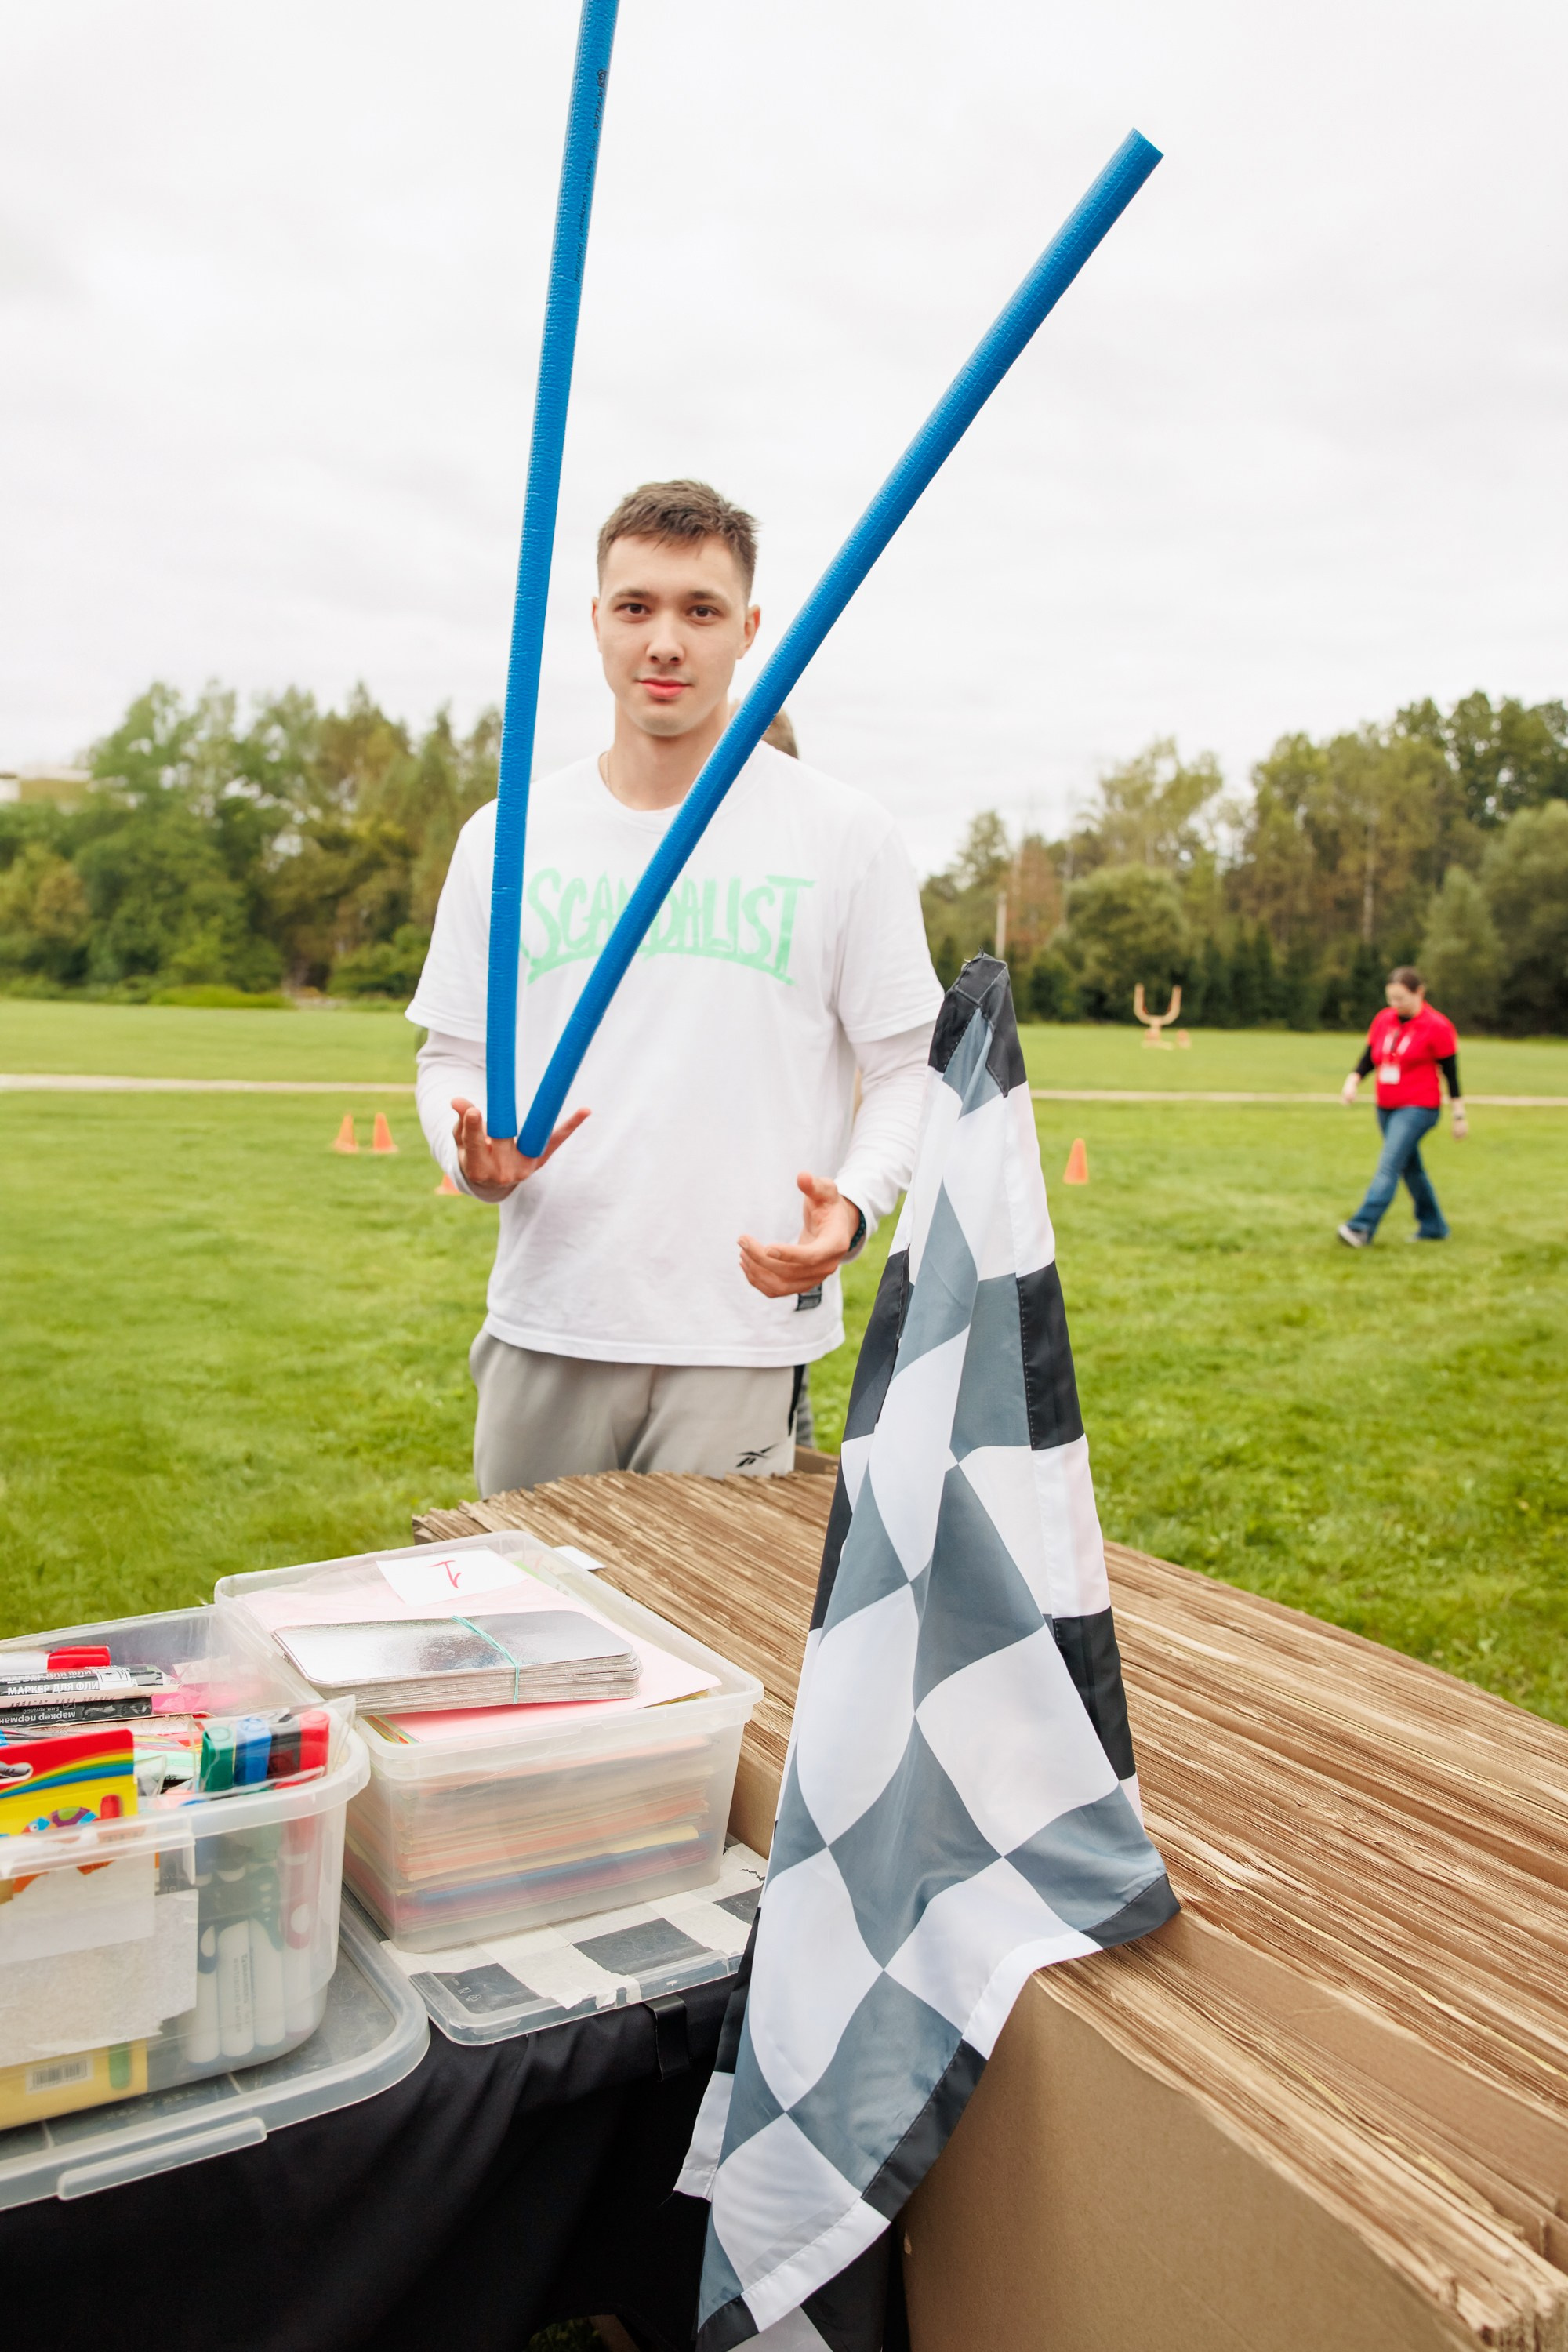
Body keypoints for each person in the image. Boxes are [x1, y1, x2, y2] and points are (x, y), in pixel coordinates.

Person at [407, 480, 942, 1493]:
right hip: (549, 1321)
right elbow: (451, 1057)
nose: (666, 642)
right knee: (536, 1639)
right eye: (636, 607)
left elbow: (908, 1067)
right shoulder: (507, 836)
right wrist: (469, 1153)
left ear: (748, 629)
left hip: (736, 1339)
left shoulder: (843, 836)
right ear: (594, 622)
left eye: (700, 611)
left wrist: (857, 1209)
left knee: (716, 1647)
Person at [1337, 965, 1467, 1247]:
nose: (1396, 1005)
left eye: (1402, 999)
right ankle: (1434, 1226)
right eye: (1391, 999)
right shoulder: (1385, 1020)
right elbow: (1370, 1057)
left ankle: (1360, 1227)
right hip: (1386, 1106)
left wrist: (1459, 1115)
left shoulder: (1438, 1027)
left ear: (1419, 993)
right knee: (1411, 1169)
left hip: (1419, 1108)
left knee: (1389, 1165)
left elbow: (1451, 1074)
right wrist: (1353, 1080)